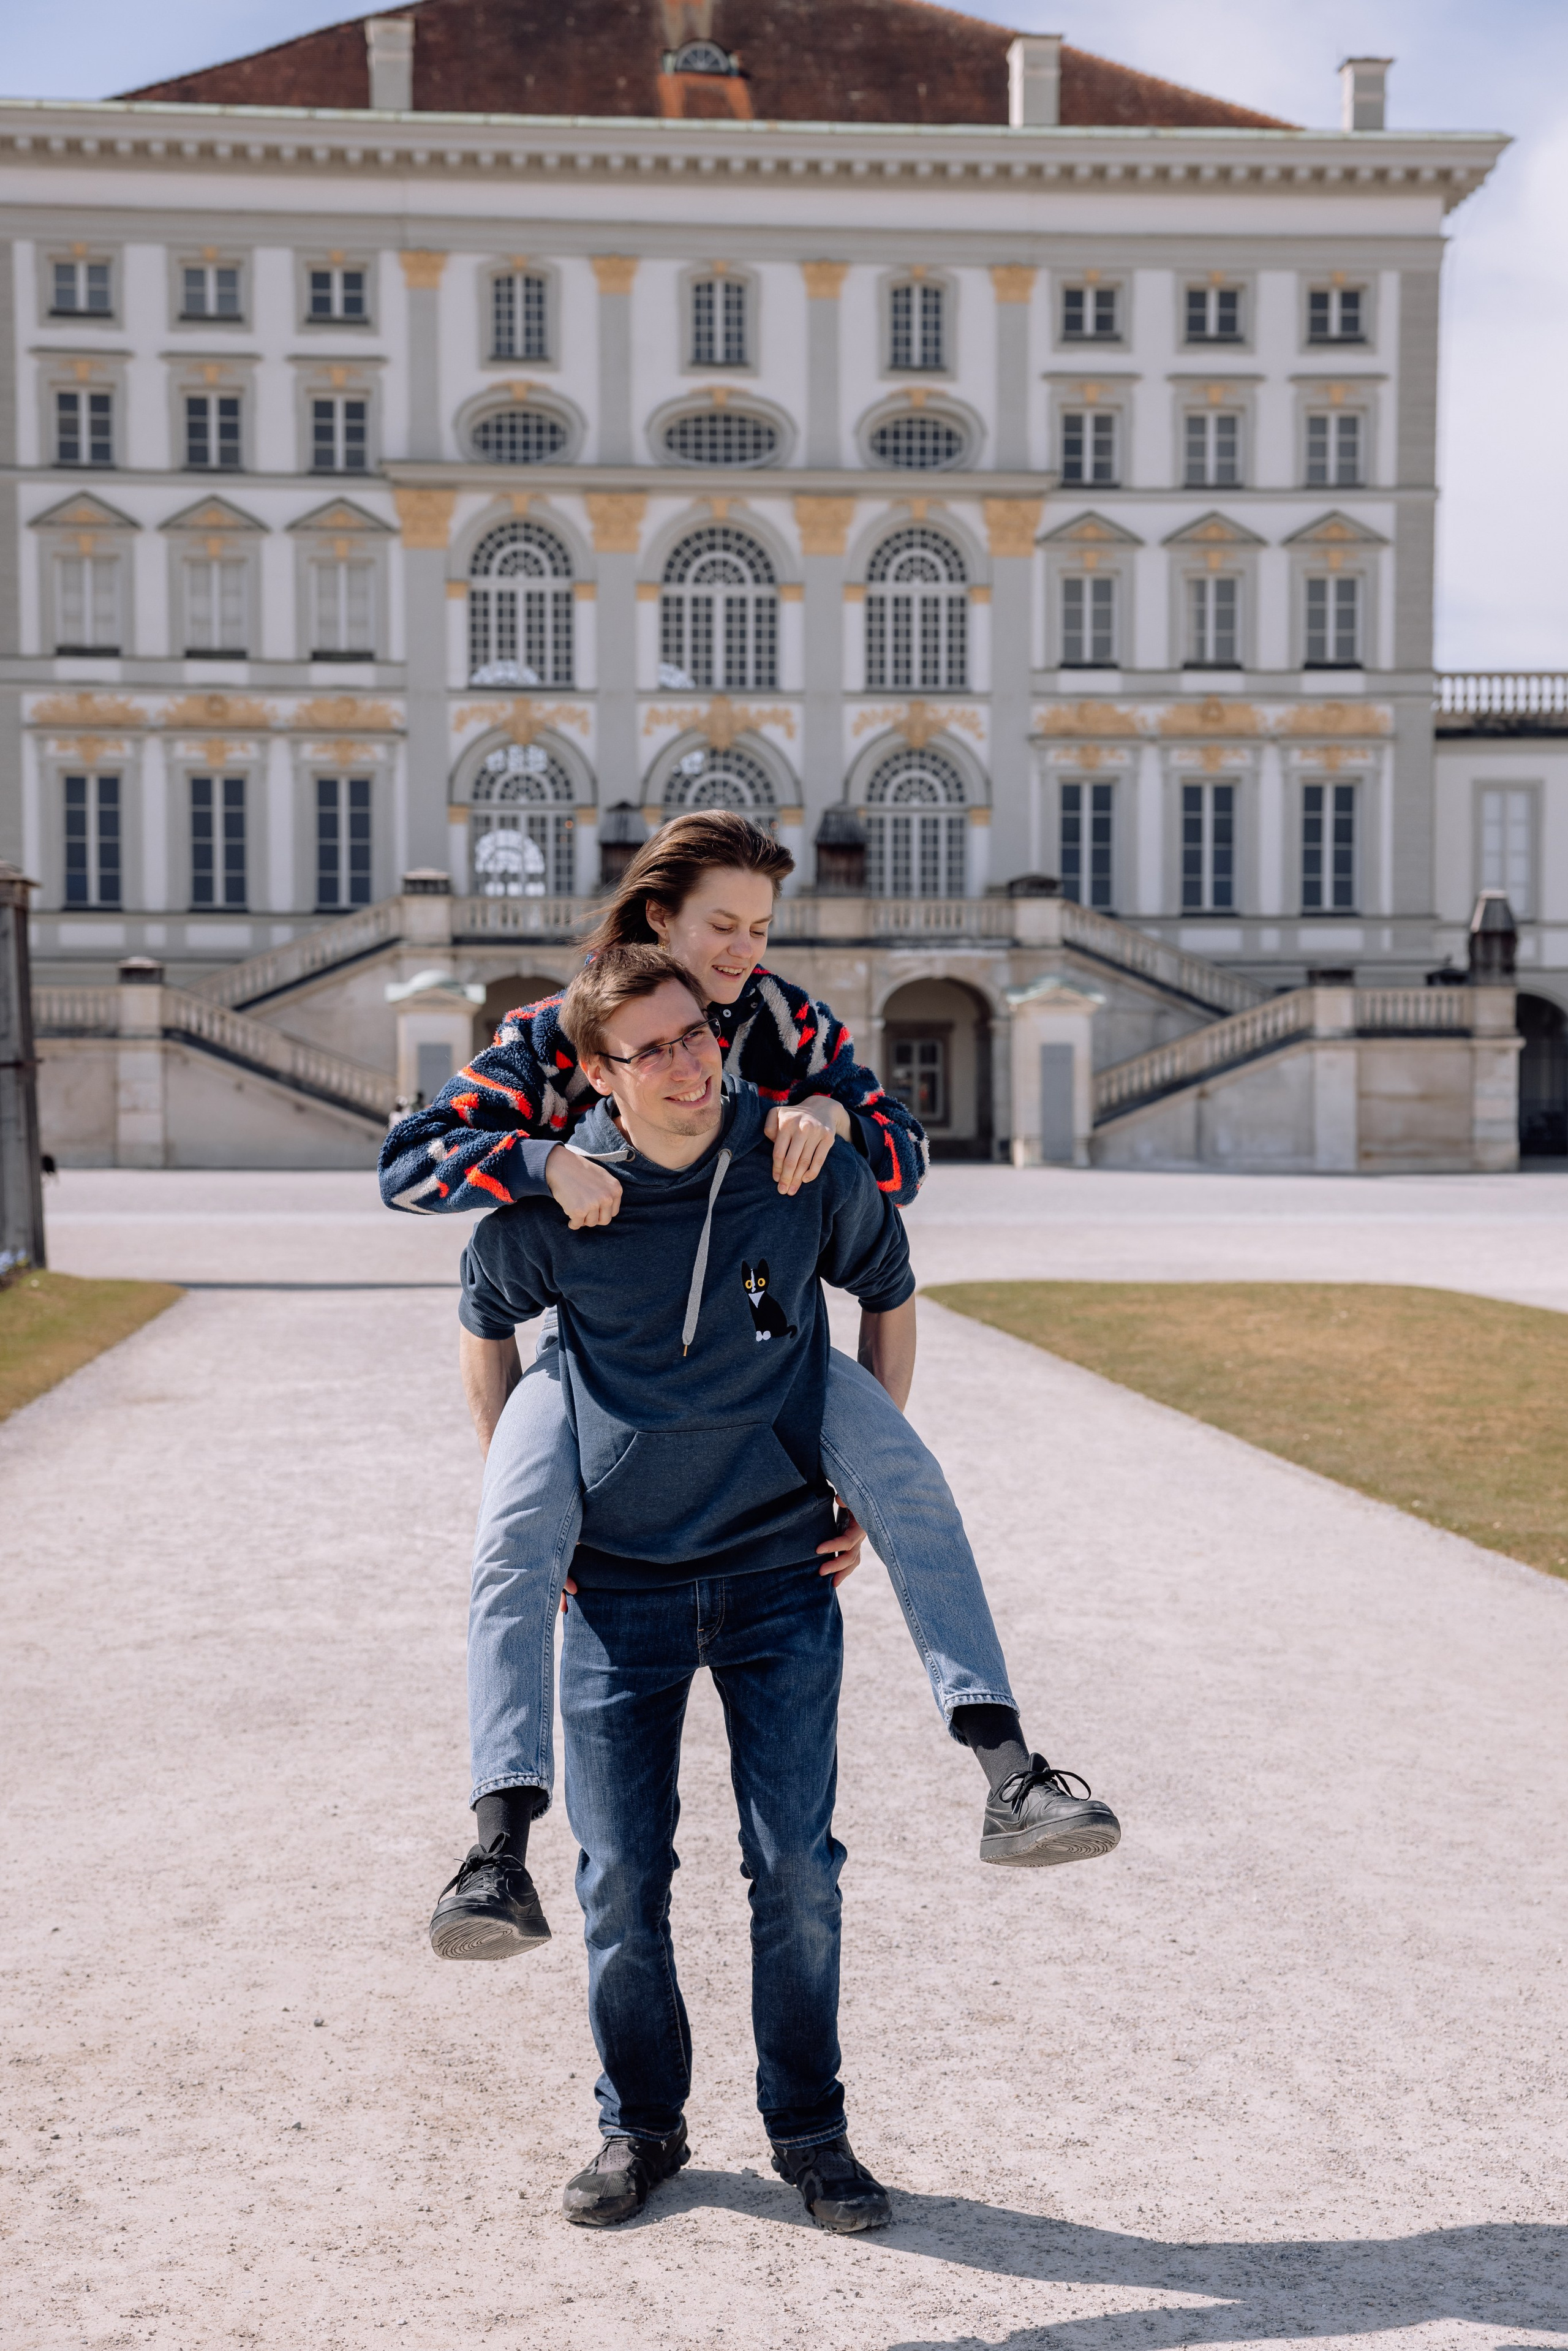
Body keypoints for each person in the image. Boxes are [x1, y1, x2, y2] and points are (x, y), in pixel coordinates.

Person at [445, 948, 1117, 2230]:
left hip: (771, 1578)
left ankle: (810, 2125)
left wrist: (850, 1485)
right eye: (652, 1048)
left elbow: (884, 1291)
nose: (690, 1062)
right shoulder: (555, 1205)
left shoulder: (794, 1164)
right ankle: (636, 2121)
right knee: (619, 1881)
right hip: (621, 1595)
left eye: (697, 1033)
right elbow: (481, 1320)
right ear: (598, 1074)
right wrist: (531, 1498)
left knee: (796, 1870)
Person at [386, 813, 1118, 1953]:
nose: (742, 949)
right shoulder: (557, 1030)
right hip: (598, 1345)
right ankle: (495, 1849)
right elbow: (408, 1162)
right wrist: (542, 1159)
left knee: (912, 1486)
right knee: (510, 1535)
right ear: (656, 917)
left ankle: (1011, 1773)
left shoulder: (779, 1018)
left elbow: (903, 1159)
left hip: (764, 1341)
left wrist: (832, 1112)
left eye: (761, 926)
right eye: (722, 924)